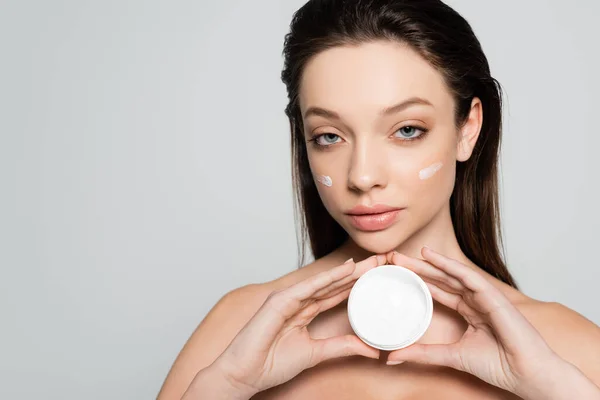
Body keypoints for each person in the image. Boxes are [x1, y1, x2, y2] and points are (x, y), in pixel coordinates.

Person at [157, 0, 600, 398]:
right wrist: (228, 386)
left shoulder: (564, 348)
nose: (363, 176)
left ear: (468, 128)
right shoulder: (238, 330)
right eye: (329, 136)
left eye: (407, 130)